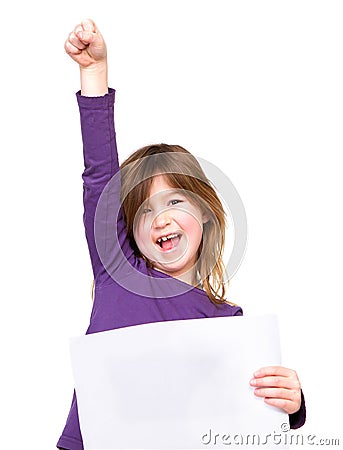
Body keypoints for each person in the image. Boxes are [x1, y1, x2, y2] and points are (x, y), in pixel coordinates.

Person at [57, 18, 306, 450]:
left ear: (207, 212)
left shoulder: (229, 324)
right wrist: (94, 74)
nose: (160, 219)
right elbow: (99, 176)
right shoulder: (117, 273)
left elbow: (242, 427)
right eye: (144, 210)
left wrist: (294, 408)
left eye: (175, 202)